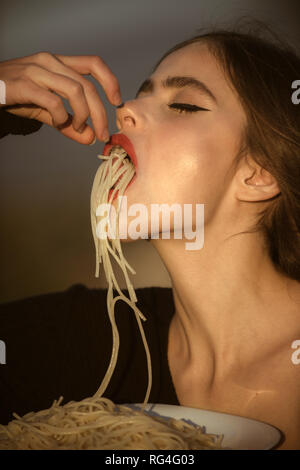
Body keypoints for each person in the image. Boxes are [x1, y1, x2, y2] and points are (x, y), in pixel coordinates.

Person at [0, 24, 300, 450]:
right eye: (141, 93)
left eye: (183, 104)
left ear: (259, 173)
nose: (127, 110)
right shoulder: (92, 344)